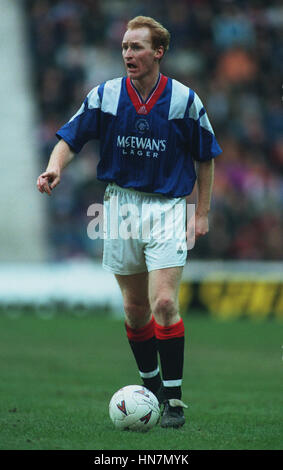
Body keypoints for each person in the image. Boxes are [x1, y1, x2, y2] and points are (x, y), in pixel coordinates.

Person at [37, 16, 222, 428]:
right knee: (135, 310)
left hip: (168, 207)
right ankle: (151, 386)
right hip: (118, 207)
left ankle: (173, 401)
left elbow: (205, 156)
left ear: (158, 52)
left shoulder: (184, 100)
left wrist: (203, 212)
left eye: (136, 47)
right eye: (124, 47)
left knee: (164, 303)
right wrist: (55, 168)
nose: (127, 54)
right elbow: (71, 136)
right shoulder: (105, 95)